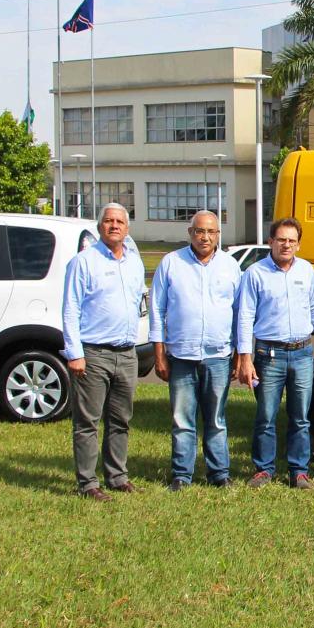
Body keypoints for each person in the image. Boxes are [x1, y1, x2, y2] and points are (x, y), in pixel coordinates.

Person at [233, 218, 314, 490]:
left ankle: (298, 472)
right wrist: (245, 358)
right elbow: (245, 317)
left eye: (292, 240)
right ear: (271, 242)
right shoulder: (255, 273)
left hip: (302, 353)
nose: (286, 245)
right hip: (269, 355)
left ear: (299, 244)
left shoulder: (306, 271)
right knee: (266, 416)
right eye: (281, 239)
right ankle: (263, 470)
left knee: (300, 417)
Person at [151, 210, 242, 491]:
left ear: (218, 235)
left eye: (211, 232)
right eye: (200, 231)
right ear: (190, 233)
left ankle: (219, 474)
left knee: (216, 419)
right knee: (182, 419)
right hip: (181, 355)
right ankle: (182, 474)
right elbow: (157, 310)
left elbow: (240, 313)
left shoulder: (231, 267)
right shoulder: (171, 263)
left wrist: (240, 354)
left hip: (218, 356)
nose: (205, 237)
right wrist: (159, 354)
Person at [61, 203, 146, 501]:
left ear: (127, 228)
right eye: (108, 221)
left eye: (119, 221)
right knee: (87, 422)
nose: (114, 226)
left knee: (121, 419)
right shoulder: (83, 262)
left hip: (126, 353)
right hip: (93, 353)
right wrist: (74, 352)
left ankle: (117, 476)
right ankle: (87, 483)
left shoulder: (134, 262)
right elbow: (70, 310)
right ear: (100, 227)